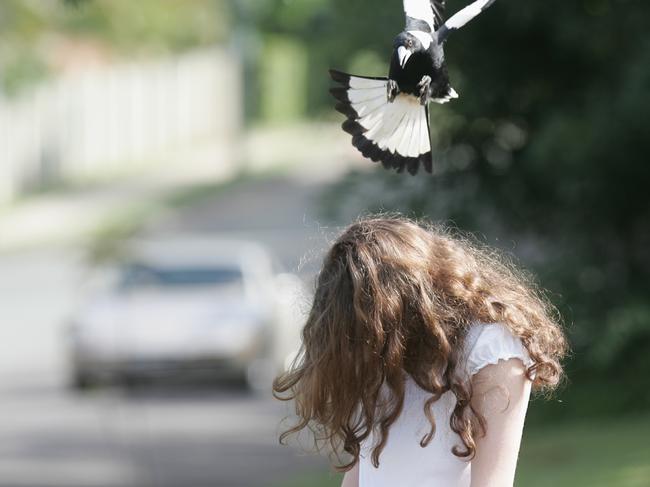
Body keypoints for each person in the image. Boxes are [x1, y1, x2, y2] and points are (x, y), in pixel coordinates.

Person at [273, 216, 568, 487]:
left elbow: (492, 483)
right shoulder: (382, 349)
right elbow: (361, 473)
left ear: (405, 301)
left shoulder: (490, 345)